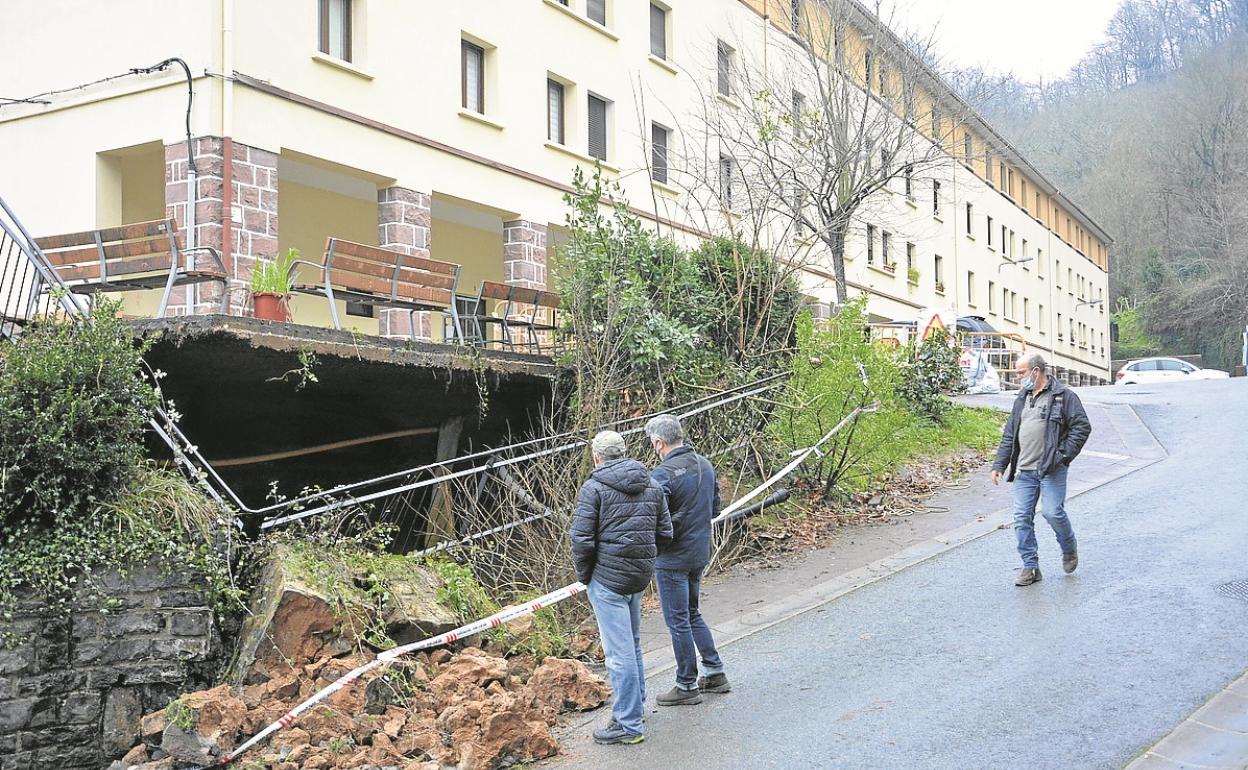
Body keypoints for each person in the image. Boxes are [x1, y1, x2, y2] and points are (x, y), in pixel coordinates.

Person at [571, 430, 672, 746]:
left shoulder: (594, 488)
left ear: (597, 457)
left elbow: (581, 540)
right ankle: (636, 708)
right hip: (638, 578)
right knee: (633, 644)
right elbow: (665, 533)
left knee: (618, 654)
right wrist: (643, 559)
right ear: (624, 453)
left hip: (608, 580)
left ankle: (628, 724)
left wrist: (586, 576)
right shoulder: (651, 484)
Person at [644, 414, 730, 706]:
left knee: (677, 620)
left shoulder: (662, 475)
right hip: (699, 552)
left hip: (671, 558)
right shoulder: (705, 465)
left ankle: (686, 684)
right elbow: (715, 509)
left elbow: (654, 520)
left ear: (659, 442)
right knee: (692, 612)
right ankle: (715, 671)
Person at [991, 353, 1092, 586]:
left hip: (1051, 468)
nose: (1018, 377)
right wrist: (1000, 465)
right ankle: (1030, 567)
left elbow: (1081, 427)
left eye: (1021, 372)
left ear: (1036, 371)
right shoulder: (1022, 398)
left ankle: (1069, 548)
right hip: (1024, 471)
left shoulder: (1063, 396)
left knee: (1052, 512)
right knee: (1021, 518)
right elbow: (1010, 434)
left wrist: (1062, 455)